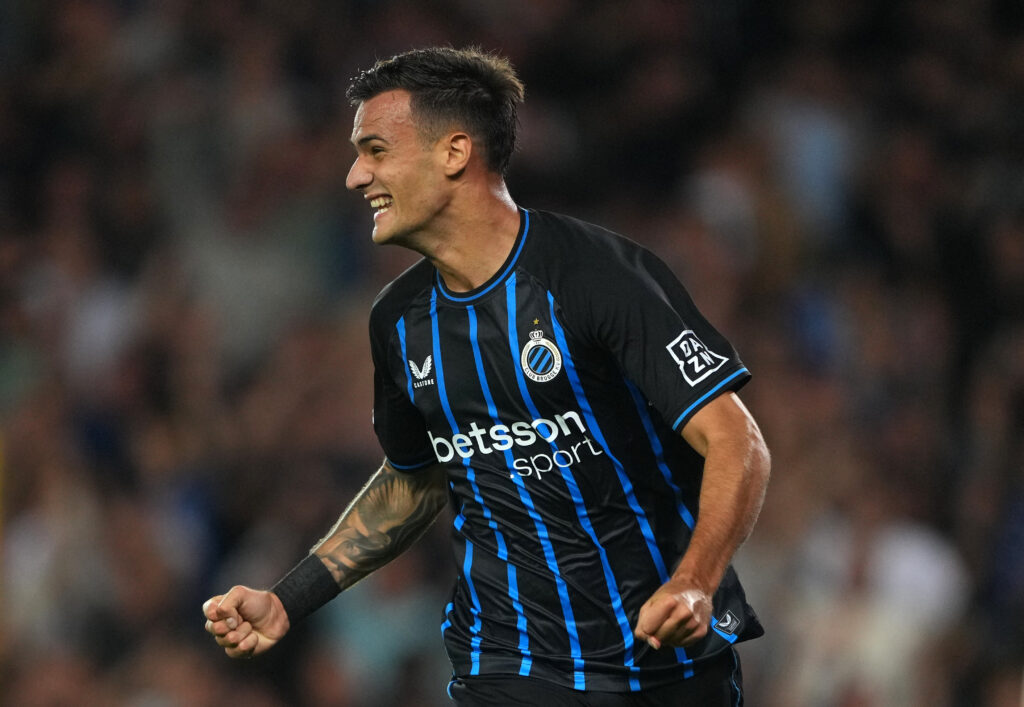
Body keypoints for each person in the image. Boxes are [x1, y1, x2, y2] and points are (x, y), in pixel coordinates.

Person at [203, 46, 771, 706]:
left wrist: (696, 579)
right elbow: (415, 477)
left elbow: (737, 441)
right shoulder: (398, 320)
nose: (355, 176)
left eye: (375, 150)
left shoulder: (596, 276)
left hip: (665, 664)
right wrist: (288, 597)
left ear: (454, 152)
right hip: (508, 665)